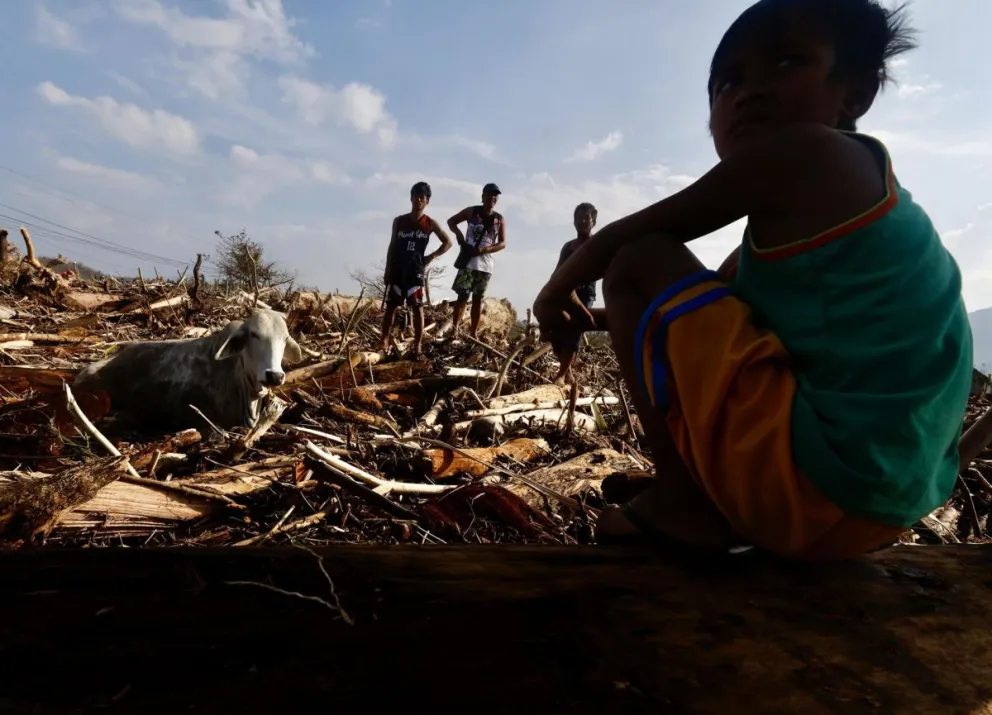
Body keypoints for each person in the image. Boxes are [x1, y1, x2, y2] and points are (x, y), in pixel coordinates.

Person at [532, 0, 973, 561]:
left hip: (817, 486)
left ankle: (685, 504)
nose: (750, 90)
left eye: (787, 62)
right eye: (727, 82)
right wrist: (594, 321)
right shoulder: (809, 230)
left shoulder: (812, 153)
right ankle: (711, 496)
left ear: (855, 94)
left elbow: (624, 244)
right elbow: (678, 322)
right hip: (872, 506)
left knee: (643, 258)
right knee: (663, 282)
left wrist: (554, 295)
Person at [380, 181, 453, 355]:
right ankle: (383, 340)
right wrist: (387, 269)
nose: (419, 200)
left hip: (416, 269)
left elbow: (448, 242)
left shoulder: (430, 223)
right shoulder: (399, 221)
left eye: (423, 197)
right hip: (398, 268)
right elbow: (392, 245)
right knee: (391, 307)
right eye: (416, 196)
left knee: (417, 306)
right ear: (411, 198)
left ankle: (417, 344)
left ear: (427, 201)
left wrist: (430, 257)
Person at [551, 203, 608, 384]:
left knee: (574, 328)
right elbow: (558, 271)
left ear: (593, 220)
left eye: (587, 218)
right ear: (574, 222)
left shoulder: (597, 243)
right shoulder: (568, 247)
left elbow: (605, 267)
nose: (583, 221)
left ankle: (561, 374)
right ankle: (567, 371)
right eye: (579, 218)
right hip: (565, 292)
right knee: (556, 327)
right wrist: (550, 290)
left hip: (585, 294)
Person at [447, 183, 506, 339]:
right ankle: (455, 330)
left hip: (486, 265)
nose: (492, 198)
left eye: (495, 196)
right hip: (468, 261)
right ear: (483, 197)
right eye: (489, 195)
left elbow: (503, 243)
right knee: (462, 296)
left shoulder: (499, 219)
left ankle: (473, 333)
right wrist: (459, 236)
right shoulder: (472, 212)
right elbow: (451, 221)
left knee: (478, 299)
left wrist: (485, 250)